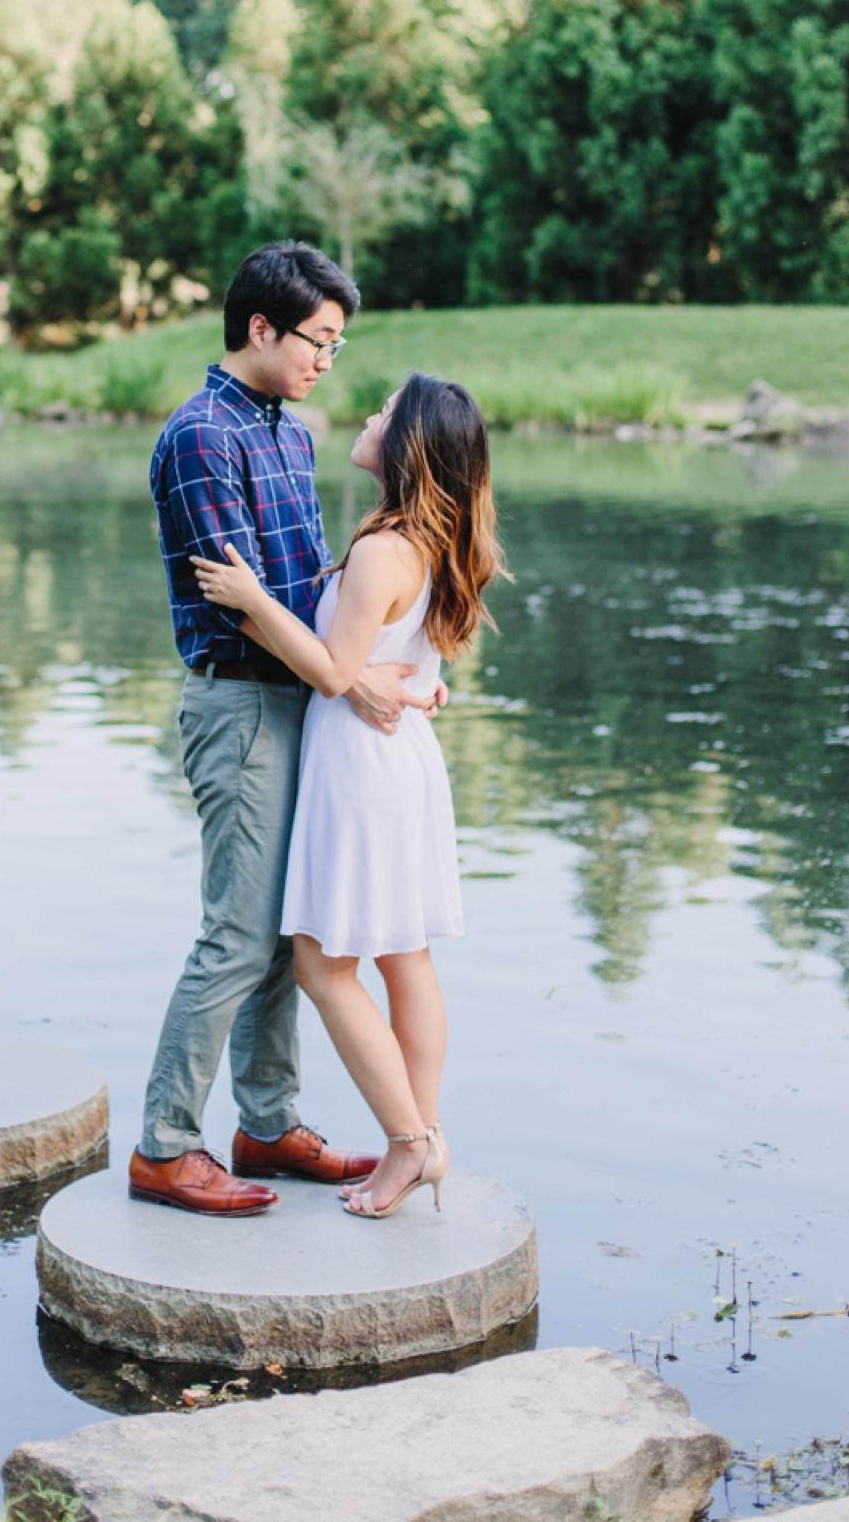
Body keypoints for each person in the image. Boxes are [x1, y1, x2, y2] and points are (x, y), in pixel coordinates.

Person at [132, 242, 446, 1218]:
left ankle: (265, 1127)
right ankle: (163, 1147)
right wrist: (352, 678)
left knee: (284, 931)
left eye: (338, 347)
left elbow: (308, 590)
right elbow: (241, 604)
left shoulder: (289, 434)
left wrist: (364, 669)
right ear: (260, 328)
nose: (325, 361)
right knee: (236, 934)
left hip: (302, 697)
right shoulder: (202, 437)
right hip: (241, 703)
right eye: (318, 340)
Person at [192, 373, 502, 1218]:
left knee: (322, 965)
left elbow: (331, 672)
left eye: (385, 412)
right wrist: (384, 680)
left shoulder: (382, 550)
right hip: (402, 763)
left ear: (406, 446)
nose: (369, 417)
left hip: (362, 772)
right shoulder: (433, 540)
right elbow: (370, 665)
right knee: (406, 955)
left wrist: (253, 599)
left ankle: (405, 1143)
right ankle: (426, 1136)